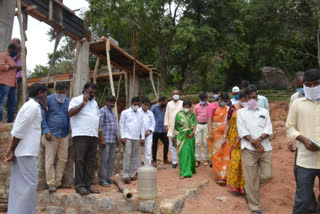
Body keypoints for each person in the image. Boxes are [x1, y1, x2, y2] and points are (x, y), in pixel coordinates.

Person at [3, 83, 47, 214]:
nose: (46, 96)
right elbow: (19, 131)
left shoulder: (28, 106)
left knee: (20, 186)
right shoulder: (33, 107)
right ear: (40, 93)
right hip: (25, 152)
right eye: (45, 93)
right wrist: (11, 149)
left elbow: (15, 130)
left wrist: (11, 149)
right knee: (29, 186)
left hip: (23, 151)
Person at [286, 69, 320, 214]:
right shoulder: (297, 103)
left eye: (316, 84)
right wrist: (303, 140)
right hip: (305, 161)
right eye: (308, 84)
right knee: (303, 199)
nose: (312, 88)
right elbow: (289, 127)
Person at [237, 87, 273, 214]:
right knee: (251, 177)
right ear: (245, 98)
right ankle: (255, 206)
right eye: (250, 97)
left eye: (254, 97)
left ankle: (249, 189)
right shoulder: (240, 113)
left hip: (265, 148)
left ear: (257, 98)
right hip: (248, 149)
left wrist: (260, 139)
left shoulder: (264, 111)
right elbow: (242, 131)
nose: (252, 100)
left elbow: (268, 129)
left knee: (268, 175)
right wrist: (256, 144)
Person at [68, 82, 103, 195]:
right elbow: (70, 113)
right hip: (80, 135)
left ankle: (88, 185)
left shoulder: (95, 103)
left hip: (93, 135)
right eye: (90, 92)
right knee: (80, 160)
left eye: (94, 93)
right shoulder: (76, 100)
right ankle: (79, 186)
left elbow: (97, 119)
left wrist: (99, 135)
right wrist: (84, 102)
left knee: (90, 161)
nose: (92, 95)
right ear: (84, 91)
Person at [41, 82, 70, 193]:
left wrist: (69, 132)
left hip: (64, 134)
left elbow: (69, 116)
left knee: (63, 159)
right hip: (51, 134)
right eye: (59, 93)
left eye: (63, 93)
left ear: (66, 91)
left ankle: (58, 182)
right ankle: (51, 183)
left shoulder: (68, 101)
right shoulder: (47, 100)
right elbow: (43, 117)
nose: (61, 95)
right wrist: (46, 130)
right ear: (55, 90)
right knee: (50, 160)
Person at [119, 96, 145, 184]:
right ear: (131, 104)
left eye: (138, 105)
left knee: (135, 156)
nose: (136, 106)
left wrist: (143, 138)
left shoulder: (140, 113)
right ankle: (125, 174)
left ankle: (132, 173)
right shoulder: (125, 112)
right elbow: (121, 125)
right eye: (135, 104)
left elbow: (142, 126)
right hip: (128, 137)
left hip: (137, 137)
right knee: (127, 156)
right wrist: (122, 137)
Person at [225, 91, 246, 194]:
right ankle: (234, 184)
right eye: (243, 100)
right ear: (240, 99)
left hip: (246, 139)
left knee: (244, 162)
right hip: (234, 138)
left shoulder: (249, 109)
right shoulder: (232, 108)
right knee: (235, 160)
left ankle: (244, 186)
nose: (245, 102)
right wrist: (225, 136)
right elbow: (228, 123)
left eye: (247, 100)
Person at [207, 92, 230, 184]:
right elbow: (209, 119)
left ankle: (226, 175)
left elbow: (228, 121)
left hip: (225, 133)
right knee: (216, 154)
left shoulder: (227, 108)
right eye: (224, 101)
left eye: (227, 101)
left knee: (226, 154)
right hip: (215, 133)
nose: (225, 103)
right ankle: (219, 176)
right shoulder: (212, 106)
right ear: (220, 99)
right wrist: (210, 133)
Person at [174, 100, 197, 178]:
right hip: (182, 136)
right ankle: (183, 172)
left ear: (190, 107)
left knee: (191, 153)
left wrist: (193, 132)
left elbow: (195, 124)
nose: (186, 108)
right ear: (183, 107)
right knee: (184, 154)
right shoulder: (179, 115)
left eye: (188, 107)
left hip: (190, 135)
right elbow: (176, 127)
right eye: (185, 107)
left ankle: (191, 169)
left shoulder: (192, 115)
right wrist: (175, 136)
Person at [99, 96, 118, 187]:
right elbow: (100, 126)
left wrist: (116, 138)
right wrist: (102, 139)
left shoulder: (113, 113)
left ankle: (107, 177)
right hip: (105, 140)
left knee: (111, 159)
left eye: (113, 102)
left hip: (113, 140)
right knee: (104, 160)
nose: (112, 104)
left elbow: (114, 126)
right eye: (110, 102)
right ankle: (102, 179)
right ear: (106, 102)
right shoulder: (102, 111)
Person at [0, 43, 21, 123]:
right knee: (2, 101)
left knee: (12, 103)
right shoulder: (3, 55)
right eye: (16, 51)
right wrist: (13, 67)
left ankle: (10, 121)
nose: (16, 53)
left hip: (13, 84)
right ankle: (0, 120)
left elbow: (12, 70)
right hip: (4, 82)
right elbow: (1, 67)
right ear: (11, 49)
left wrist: (17, 69)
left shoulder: (12, 59)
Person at [164, 90, 183, 168]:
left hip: (180, 127)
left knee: (181, 144)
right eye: (174, 94)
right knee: (172, 145)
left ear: (180, 95)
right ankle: (174, 161)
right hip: (171, 127)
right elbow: (166, 114)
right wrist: (166, 125)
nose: (175, 95)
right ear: (172, 95)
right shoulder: (169, 104)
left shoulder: (182, 103)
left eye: (177, 94)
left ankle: (181, 160)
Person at [151, 96, 169, 167]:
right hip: (155, 129)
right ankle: (154, 159)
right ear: (161, 101)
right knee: (155, 145)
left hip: (162, 129)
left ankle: (165, 159)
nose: (166, 103)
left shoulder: (165, 108)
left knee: (166, 143)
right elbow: (150, 116)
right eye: (165, 102)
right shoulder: (154, 107)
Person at [193, 92, 210, 167]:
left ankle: (206, 159)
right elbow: (194, 117)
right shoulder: (196, 106)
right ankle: (197, 159)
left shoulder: (210, 105)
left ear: (206, 99)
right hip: (198, 125)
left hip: (207, 125)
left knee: (206, 143)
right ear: (199, 99)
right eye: (201, 99)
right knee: (197, 143)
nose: (203, 100)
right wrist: (194, 127)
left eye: (204, 99)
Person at [138, 97, 155, 165]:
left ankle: (147, 166)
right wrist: (141, 135)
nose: (146, 106)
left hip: (148, 135)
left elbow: (153, 124)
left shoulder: (150, 113)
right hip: (138, 135)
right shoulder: (138, 112)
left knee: (148, 151)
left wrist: (148, 133)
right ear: (142, 104)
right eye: (145, 104)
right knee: (138, 151)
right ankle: (137, 167)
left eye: (148, 105)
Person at [11, 38, 23, 111]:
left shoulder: (22, 52)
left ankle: (15, 109)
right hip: (14, 76)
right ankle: (11, 109)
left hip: (20, 76)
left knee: (18, 94)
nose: (12, 44)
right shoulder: (12, 53)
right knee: (12, 94)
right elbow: (15, 58)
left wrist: (21, 48)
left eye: (13, 42)